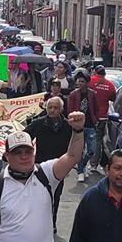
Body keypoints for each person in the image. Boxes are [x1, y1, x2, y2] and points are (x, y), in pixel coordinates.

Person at [25, 97, 74, 233]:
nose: (52, 110)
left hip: (59, 167)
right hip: (40, 166)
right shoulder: (38, 124)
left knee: (55, 196)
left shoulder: (67, 126)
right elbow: (23, 136)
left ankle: (51, 223)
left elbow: (74, 146)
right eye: (50, 107)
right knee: (38, 196)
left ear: (61, 109)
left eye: (55, 108)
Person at [67, 70, 99, 183]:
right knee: (79, 150)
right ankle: (80, 171)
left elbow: (96, 109)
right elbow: (70, 110)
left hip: (90, 125)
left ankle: (83, 165)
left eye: (82, 81)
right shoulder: (73, 95)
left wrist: (96, 119)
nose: (80, 83)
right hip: (78, 126)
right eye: (78, 81)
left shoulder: (93, 94)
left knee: (91, 150)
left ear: (87, 82)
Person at [89, 65, 117, 174]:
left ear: (95, 72)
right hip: (102, 116)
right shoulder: (109, 85)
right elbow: (113, 98)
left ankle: (87, 162)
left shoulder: (90, 81)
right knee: (98, 139)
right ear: (104, 74)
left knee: (88, 139)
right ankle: (94, 164)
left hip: (90, 115)